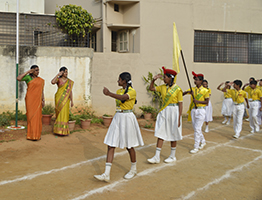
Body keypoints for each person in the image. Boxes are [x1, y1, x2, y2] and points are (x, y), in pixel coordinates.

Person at [94, 72, 144, 182]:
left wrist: (109, 93)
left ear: (124, 81)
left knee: (129, 146)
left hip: (127, 118)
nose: (118, 81)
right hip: (118, 117)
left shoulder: (132, 91)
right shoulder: (118, 91)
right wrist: (111, 94)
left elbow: (123, 98)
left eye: (119, 80)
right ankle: (106, 174)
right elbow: (120, 96)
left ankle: (133, 169)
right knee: (111, 144)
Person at [147, 67, 183, 164]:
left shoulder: (178, 89)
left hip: (174, 111)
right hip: (165, 111)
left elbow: (180, 104)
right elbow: (151, 88)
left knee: (173, 133)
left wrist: (179, 118)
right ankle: (157, 156)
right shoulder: (163, 87)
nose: (163, 79)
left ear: (170, 78)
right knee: (160, 132)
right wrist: (153, 80)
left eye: (165, 77)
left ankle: (172, 156)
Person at [183, 72, 209, 154]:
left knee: (197, 129)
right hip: (193, 110)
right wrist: (188, 92)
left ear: (201, 81)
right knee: (196, 128)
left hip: (201, 110)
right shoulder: (192, 89)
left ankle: (196, 146)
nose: (195, 81)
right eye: (194, 79)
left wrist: (197, 101)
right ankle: (203, 141)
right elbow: (182, 94)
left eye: (196, 80)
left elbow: (207, 102)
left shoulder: (205, 90)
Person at [17, 65, 45, 141]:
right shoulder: (28, 78)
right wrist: (27, 72)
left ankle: (37, 135)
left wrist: (43, 100)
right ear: (32, 71)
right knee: (30, 116)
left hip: (38, 100)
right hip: (30, 99)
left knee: (37, 117)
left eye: (38, 70)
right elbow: (18, 78)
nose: (38, 72)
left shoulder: (40, 80)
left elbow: (42, 90)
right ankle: (31, 135)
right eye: (36, 70)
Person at [51, 67, 74, 136]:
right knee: (59, 113)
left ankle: (64, 131)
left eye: (67, 72)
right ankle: (58, 130)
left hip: (66, 99)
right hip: (59, 98)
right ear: (61, 72)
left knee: (65, 114)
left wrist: (72, 100)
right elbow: (52, 82)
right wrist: (57, 75)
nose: (66, 73)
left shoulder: (69, 81)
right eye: (65, 72)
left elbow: (70, 91)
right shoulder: (58, 79)